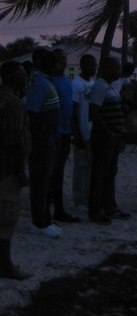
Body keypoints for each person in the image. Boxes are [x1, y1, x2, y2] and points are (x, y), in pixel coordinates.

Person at [88, 57, 129, 224]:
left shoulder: (111, 86)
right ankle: (96, 210)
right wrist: (107, 132)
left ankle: (110, 206)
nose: (119, 71)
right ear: (107, 69)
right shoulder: (99, 86)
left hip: (113, 136)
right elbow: (93, 113)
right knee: (99, 173)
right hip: (103, 137)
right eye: (117, 68)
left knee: (111, 172)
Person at [26, 47, 61, 237]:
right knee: (40, 182)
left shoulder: (45, 82)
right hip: (41, 143)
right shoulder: (41, 84)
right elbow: (32, 114)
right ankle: (39, 221)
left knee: (45, 181)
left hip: (48, 140)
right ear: (53, 66)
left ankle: (45, 218)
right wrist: (40, 139)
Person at [0, 61, 30, 278]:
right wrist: (20, 171)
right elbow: (15, 141)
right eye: (22, 76)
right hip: (6, 168)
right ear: (11, 78)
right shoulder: (13, 102)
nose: (25, 78)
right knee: (7, 217)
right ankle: (6, 265)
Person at [50, 48, 80, 223]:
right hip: (54, 132)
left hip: (66, 130)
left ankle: (59, 209)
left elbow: (71, 108)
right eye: (60, 58)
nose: (63, 61)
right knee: (52, 170)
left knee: (60, 170)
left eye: (64, 58)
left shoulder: (67, 81)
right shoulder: (49, 81)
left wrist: (74, 131)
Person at [72, 54, 97, 213]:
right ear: (83, 65)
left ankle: (88, 196)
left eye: (95, 65)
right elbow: (74, 111)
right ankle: (78, 198)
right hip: (82, 131)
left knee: (90, 167)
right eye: (92, 65)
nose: (94, 68)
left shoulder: (93, 83)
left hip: (93, 132)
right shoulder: (76, 84)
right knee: (80, 167)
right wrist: (78, 134)